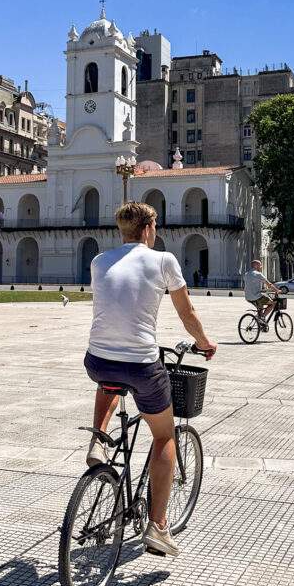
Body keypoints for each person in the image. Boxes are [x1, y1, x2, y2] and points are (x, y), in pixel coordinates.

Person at [83, 201, 216, 559]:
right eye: (155, 225)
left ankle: (98, 441)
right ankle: (158, 525)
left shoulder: (99, 261)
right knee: (164, 436)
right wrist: (204, 343)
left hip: (97, 359)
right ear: (147, 229)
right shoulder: (163, 260)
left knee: (108, 378)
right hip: (141, 365)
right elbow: (187, 313)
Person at [243, 260, 279, 328]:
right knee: (272, 304)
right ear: (256, 266)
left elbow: (251, 284)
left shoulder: (247, 274)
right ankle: (261, 318)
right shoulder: (258, 274)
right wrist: (276, 291)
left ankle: (262, 325)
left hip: (248, 297)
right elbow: (269, 284)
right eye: (260, 265)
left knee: (260, 306)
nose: (261, 267)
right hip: (256, 296)